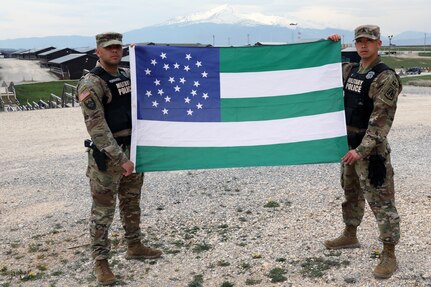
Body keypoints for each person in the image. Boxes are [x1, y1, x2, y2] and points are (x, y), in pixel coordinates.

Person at [76, 32, 162, 285]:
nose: (115, 51)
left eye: (118, 47)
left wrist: (144, 55)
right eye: (109, 48)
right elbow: (97, 127)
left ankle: (134, 245)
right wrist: (120, 158)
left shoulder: (125, 75)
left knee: (131, 202)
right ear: (98, 52)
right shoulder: (91, 84)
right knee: (103, 211)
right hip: (109, 157)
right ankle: (101, 262)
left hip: (132, 150)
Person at [326, 25, 402, 279]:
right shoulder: (350, 70)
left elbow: (381, 121)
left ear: (378, 43)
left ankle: (389, 253)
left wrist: (362, 150)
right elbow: (321, 73)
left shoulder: (385, 77)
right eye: (359, 41)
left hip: (370, 152)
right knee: (350, 193)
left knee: (381, 202)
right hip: (348, 148)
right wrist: (328, 47)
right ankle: (350, 234)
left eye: (368, 41)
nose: (363, 45)